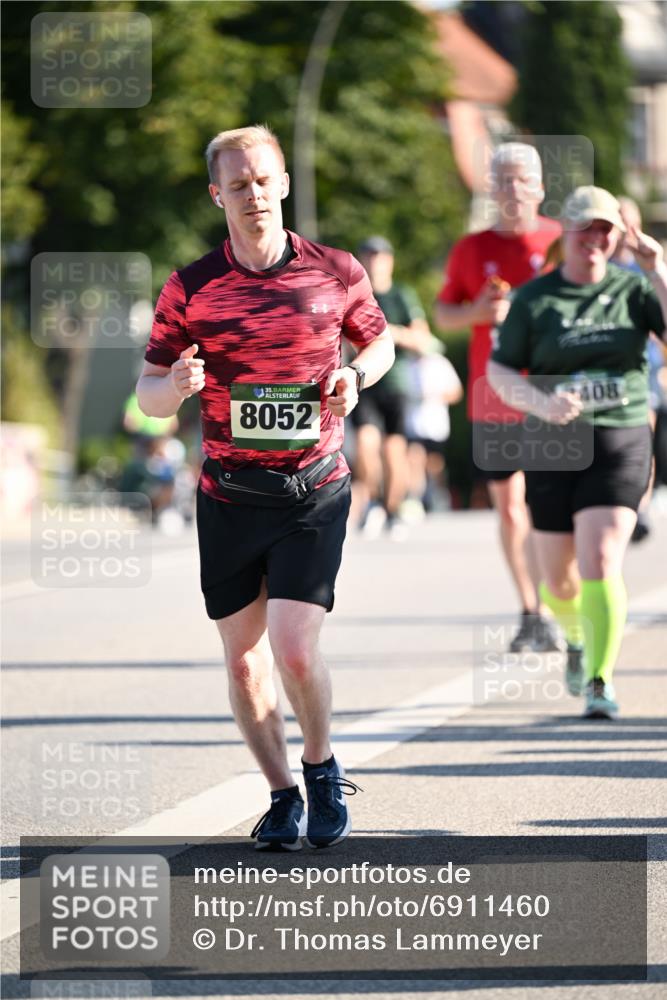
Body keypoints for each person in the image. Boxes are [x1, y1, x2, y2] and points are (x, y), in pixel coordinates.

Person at [136, 125, 394, 848]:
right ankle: (281, 792)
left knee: (294, 648)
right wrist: (173, 388)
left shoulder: (335, 270)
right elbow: (147, 389)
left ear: (281, 184)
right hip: (228, 495)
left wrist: (354, 374)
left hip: (313, 488)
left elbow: (378, 341)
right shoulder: (190, 287)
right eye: (237, 183)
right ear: (217, 194)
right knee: (244, 662)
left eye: (262, 179)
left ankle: (319, 766)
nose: (253, 194)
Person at [488, 185, 667, 719]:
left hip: (621, 434)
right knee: (559, 581)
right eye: (584, 229)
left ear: (617, 237)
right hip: (553, 441)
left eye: (604, 231)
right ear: (564, 232)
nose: (594, 239)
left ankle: (598, 679)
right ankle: (576, 638)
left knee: (601, 558)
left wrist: (657, 271)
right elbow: (500, 371)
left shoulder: (635, 293)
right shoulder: (534, 298)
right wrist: (540, 403)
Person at [435, 143, 562, 652]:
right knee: (510, 508)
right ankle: (533, 609)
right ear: (490, 188)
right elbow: (445, 315)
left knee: (551, 507)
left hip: (551, 390)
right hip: (493, 393)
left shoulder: (559, 241)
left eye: (519, 180)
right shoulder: (471, 248)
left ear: (539, 188)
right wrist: (479, 315)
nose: (510, 191)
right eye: (501, 181)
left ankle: (559, 602)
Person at [352, 237, 433, 540]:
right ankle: (373, 501)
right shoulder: (354, 294)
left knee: (393, 451)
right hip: (363, 381)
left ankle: (394, 508)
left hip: (396, 382)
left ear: (390, 260)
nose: (374, 261)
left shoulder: (401, 295)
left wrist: (389, 334)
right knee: (364, 444)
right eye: (368, 255)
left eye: (379, 256)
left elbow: (422, 339)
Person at [404, 338, 463, 514]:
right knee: (414, 458)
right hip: (413, 423)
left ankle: (437, 495)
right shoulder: (406, 364)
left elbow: (456, 392)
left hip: (435, 424)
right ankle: (415, 499)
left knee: (434, 463)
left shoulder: (440, 363)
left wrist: (434, 396)